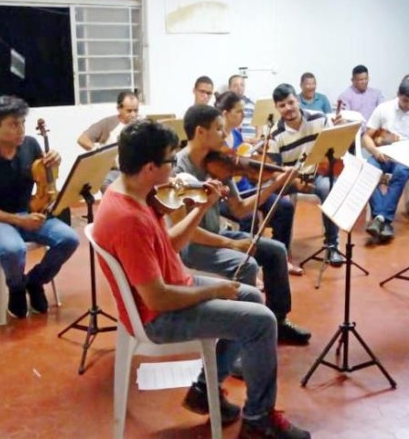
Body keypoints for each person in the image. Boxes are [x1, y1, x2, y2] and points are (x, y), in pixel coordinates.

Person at [93, 118, 312, 438]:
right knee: (262, 321)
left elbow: (169, 245)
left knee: (251, 296)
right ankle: (258, 419)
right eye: (170, 161)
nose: (174, 169)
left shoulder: (135, 192)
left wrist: (201, 208)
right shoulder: (127, 218)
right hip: (158, 317)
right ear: (150, 167)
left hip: (173, 287)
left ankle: (204, 390)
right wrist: (214, 291)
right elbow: (157, 299)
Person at [174, 104, 311, 344]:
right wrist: (231, 244)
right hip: (193, 246)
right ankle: (241, 335)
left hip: (218, 235)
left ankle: (278, 320)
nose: (225, 134)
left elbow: (239, 208)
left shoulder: (218, 162)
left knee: (276, 251)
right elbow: (189, 232)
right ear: (200, 132)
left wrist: (275, 184)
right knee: (246, 265)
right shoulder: (179, 170)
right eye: (219, 129)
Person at [0, 95, 79, 318]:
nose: (21, 130)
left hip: (28, 212)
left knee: (69, 239)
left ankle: (34, 281)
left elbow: (45, 176)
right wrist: (18, 220)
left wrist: (54, 161)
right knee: (13, 249)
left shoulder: (30, 145)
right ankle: (16, 288)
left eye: (23, 123)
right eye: (14, 124)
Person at [268, 83, 345, 267]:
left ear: (297, 100)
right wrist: (294, 181)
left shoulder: (319, 119)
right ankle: (281, 249)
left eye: (291, 102)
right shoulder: (275, 134)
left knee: (328, 188)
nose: (288, 108)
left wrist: (339, 132)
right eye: (282, 105)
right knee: (279, 202)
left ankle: (332, 244)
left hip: (315, 174)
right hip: (289, 179)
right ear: (276, 108)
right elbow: (275, 172)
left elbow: (334, 151)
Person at [216, 91, 295, 264]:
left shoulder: (237, 134)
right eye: (239, 111)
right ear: (225, 113)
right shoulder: (216, 141)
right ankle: (247, 261)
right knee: (249, 216)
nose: (243, 116)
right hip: (227, 196)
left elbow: (245, 164)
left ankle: (279, 256)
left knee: (285, 207)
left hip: (247, 189)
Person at [362, 77, 409, 243]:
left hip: (408, 160)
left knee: (400, 173)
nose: (408, 105)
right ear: (398, 95)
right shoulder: (384, 108)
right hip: (383, 155)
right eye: (405, 100)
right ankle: (383, 220)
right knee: (367, 171)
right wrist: (375, 151)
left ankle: (379, 218)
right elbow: (366, 137)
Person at [77, 91, 139, 191]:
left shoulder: (141, 125)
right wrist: (100, 152)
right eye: (129, 111)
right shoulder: (109, 123)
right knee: (105, 182)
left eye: (136, 111)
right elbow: (82, 139)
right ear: (119, 108)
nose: (133, 114)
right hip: (115, 171)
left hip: (137, 172)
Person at [228, 74, 260, 141]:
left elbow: (258, 124)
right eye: (235, 85)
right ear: (229, 88)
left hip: (252, 142)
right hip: (235, 141)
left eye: (242, 85)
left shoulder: (252, 104)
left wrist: (257, 138)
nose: (239, 88)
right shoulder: (226, 105)